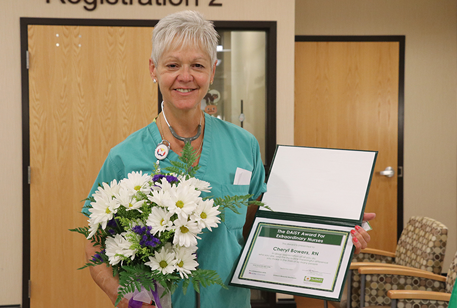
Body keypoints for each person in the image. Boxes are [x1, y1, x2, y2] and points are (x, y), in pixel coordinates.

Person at [83, 10, 374, 308]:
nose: (185, 77)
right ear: (153, 69)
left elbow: (258, 225)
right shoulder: (124, 156)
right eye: (172, 65)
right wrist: (126, 298)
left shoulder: (243, 145)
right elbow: (93, 242)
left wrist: (334, 230)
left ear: (212, 70)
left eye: (197, 65)